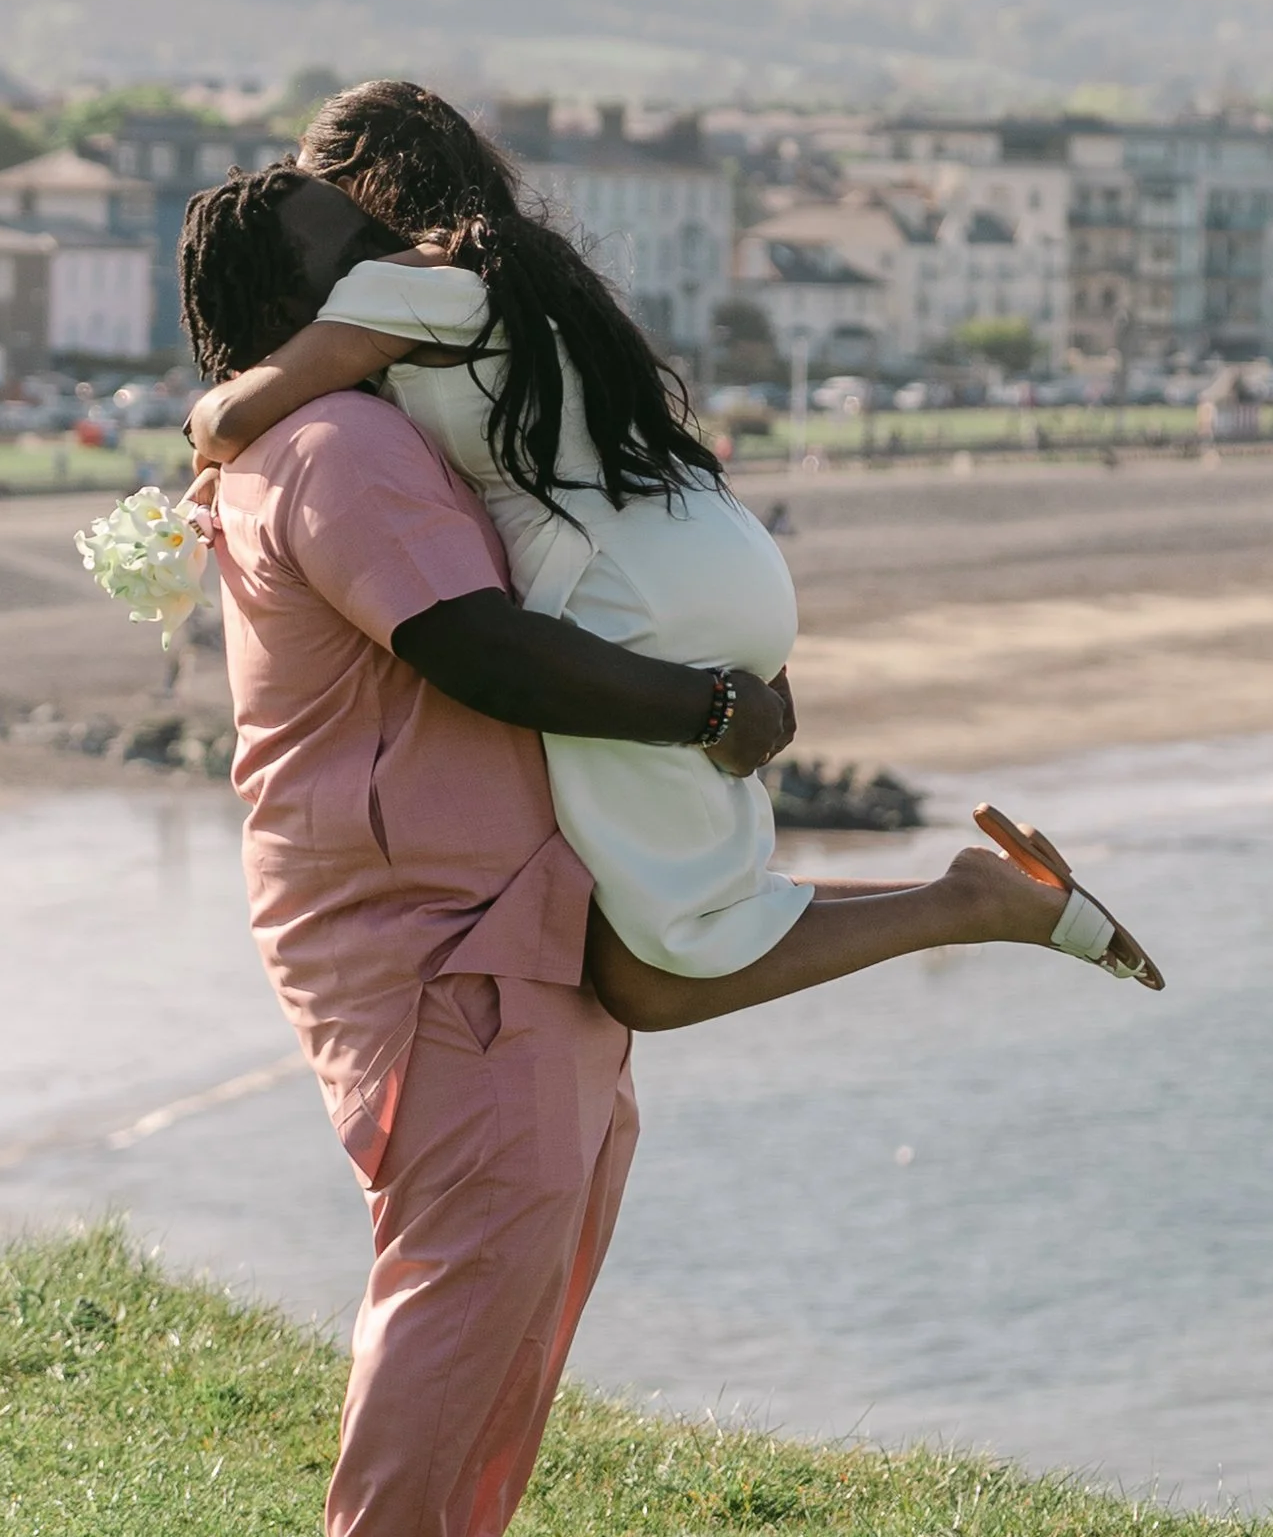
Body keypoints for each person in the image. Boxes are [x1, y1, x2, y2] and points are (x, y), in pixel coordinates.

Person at [178, 159, 1138, 1537]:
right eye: (348, 244)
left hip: (523, 903)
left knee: (532, 1268)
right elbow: (469, 644)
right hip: (441, 926)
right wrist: (708, 707)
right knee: (463, 1273)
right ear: (291, 308)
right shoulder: (335, 442)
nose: (389, 252)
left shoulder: (387, 423)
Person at [191, 83, 1158, 992]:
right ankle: (984, 902)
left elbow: (234, 415)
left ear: (366, 187)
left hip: (620, 585)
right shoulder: (538, 281)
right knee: (666, 923)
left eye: (321, 193)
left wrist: (206, 435)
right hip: (719, 555)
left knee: (657, 973)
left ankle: (975, 902)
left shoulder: (402, 286)